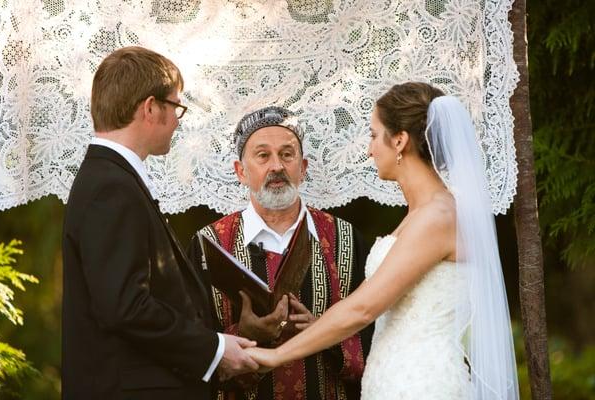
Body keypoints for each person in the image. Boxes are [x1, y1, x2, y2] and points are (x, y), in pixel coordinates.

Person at [246, 83, 520, 399]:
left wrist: (275, 356)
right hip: (395, 379)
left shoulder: (439, 216)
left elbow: (363, 308)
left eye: (374, 135)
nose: (369, 149)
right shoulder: (423, 214)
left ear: (400, 140)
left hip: (422, 385)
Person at [61, 46, 258, 400]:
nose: (179, 120)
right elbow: (126, 307)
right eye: (176, 107)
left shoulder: (112, 178)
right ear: (150, 108)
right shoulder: (111, 186)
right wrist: (213, 349)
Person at [189, 106, 373, 400]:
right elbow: (188, 345)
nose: (276, 166)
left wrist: (324, 332)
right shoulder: (207, 245)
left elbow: (377, 338)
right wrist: (246, 334)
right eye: (262, 155)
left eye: (287, 154)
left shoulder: (345, 239)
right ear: (241, 171)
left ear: (303, 168)